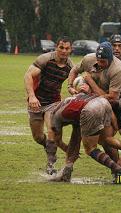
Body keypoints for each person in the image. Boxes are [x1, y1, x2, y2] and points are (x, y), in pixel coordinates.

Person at [50, 77, 121, 183]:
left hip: (90, 109)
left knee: (90, 149)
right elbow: (76, 135)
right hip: (103, 102)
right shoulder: (89, 96)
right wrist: (115, 126)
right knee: (107, 139)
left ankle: (119, 170)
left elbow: (57, 140)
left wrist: (67, 150)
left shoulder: (57, 114)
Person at [24, 37, 73, 174]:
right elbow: (28, 75)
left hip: (53, 102)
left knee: (52, 128)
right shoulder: (45, 60)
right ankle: (49, 146)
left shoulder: (70, 66)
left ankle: (51, 164)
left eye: (67, 48)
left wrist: (75, 88)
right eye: (61, 48)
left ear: (70, 50)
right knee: (38, 137)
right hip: (36, 102)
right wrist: (32, 96)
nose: (64, 51)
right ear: (56, 47)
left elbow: (75, 81)